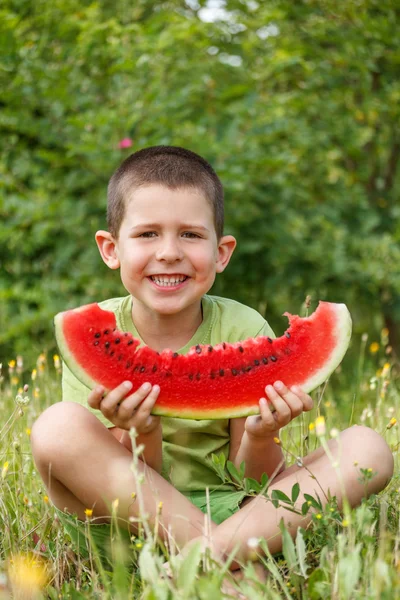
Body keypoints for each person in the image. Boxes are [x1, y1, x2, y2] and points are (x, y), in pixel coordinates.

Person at [31, 146, 393, 572]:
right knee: (57, 427)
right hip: (122, 523)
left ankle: (206, 559)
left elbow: (252, 484)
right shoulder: (96, 333)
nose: (169, 251)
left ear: (222, 253)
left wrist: (261, 435)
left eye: (191, 234)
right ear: (111, 249)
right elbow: (119, 480)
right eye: (148, 234)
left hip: (238, 514)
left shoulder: (245, 327)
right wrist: (142, 430)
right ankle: (220, 558)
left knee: (369, 448)